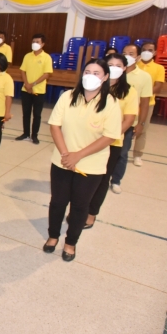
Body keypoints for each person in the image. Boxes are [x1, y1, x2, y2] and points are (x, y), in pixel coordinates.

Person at [44, 59, 121, 262]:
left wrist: (78, 155)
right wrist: (66, 154)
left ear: (105, 77)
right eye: (87, 71)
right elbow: (55, 125)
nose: (90, 76)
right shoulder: (68, 96)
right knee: (58, 202)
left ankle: (70, 243)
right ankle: (53, 236)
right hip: (62, 161)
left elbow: (109, 137)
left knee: (80, 206)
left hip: (91, 166)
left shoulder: (111, 103)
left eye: (96, 73)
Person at [86, 54, 138, 228]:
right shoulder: (95, 86)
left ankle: (91, 213)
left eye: (118, 65)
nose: (114, 67)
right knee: (84, 178)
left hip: (111, 143)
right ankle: (80, 209)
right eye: (110, 64)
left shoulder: (129, 91)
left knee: (101, 180)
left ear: (124, 68)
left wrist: (108, 137)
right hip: (88, 141)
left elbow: (128, 120)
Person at [110, 44, 152, 194]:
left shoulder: (144, 77)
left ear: (138, 57)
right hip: (107, 121)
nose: (127, 55)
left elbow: (145, 102)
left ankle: (116, 180)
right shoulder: (113, 72)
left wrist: (141, 123)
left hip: (127, 122)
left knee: (122, 153)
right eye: (124, 52)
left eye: (131, 53)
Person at [16, 33, 53, 144]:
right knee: (26, 113)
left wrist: (32, 84)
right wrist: (26, 84)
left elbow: (47, 74)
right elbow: (23, 71)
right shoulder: (27, 56)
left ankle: (34, 135)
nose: (35, 44)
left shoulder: (46, 57)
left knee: (37, 114)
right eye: (33, 41)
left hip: (39, 91)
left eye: (37, 42)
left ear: (43, 44)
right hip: (26, 90)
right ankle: (25, 133)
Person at [133, 42, 164, 166]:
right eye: (144, 50)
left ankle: (138, 154)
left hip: (148, 103)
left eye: (150, 50)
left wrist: (144, 94)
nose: (146, 52)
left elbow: (158, 86)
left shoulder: (159, 68)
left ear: (155, 52)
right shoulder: (135, 65)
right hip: (132, 102)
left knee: (142, 129)